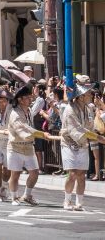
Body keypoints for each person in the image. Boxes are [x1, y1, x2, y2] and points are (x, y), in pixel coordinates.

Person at [60, 83, 105, 211]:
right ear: (80, 97)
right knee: (73, 173)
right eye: (88, 93)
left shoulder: (89, 108)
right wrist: (98, 138)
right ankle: (67, 201)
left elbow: (91, 127)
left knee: (81, 175)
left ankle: (79, 203)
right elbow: (78, 130)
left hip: (83, 143)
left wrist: (97, 135)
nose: (91, 95)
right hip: (69, 144)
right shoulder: (70, 110)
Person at [8, 84, 49, 206]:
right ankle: (14, 197)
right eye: (27, 97)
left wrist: (39, 134)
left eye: (30, 97)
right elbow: (24, 129)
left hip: (29, 146)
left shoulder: (29, 110)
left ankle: (27, 195)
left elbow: (30, 128)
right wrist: (41, 134)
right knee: (15, 173)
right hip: (15, 146)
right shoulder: (14, 113)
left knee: (34, 172)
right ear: (20, 99)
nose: (30, 99)